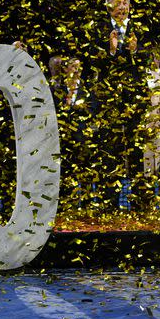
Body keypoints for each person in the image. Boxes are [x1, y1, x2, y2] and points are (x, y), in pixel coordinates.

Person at [86, 0, 152, 210]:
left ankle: (138, 202)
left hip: (133, 98)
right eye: (117, 3)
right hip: (108, 99)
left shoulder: (139, 30)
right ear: (108, 6)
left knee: (135, 149)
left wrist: (134, 51)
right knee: (109, 147)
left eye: (125, 3)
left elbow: (148, 62)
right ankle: (109, 201)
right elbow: (91, 60)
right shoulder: (98, 30)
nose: (122, 7)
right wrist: (111, 51)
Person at [49, 56, 96, 210]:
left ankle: (87, 205)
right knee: (64, 170)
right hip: (62, 137)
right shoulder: (57, 88)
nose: (77, 71)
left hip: (82, 137)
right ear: (65, 69)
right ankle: (64, 204)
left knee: (84, 170)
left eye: (79, 67)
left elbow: (93, 109)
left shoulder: (86, 88)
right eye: (74, 67)